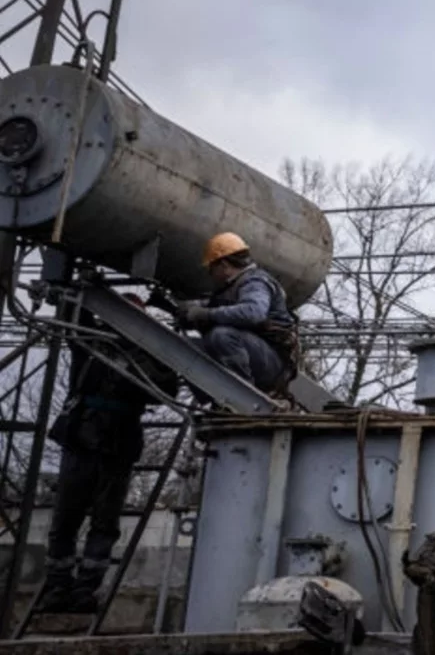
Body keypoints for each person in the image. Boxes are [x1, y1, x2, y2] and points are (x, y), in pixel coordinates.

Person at [41, 301, 175, 614]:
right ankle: (58, 586)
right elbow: (72, 317)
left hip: (117, 442)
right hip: (82, 436)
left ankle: (85, 588)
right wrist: (81, 289)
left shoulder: (147, 351)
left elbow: (165, 385)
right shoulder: (91, 339)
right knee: (65, 518)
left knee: (104, 520)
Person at [178, 232, 299, 395]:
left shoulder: (255, 281)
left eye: (211, 268)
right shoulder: (232, 287)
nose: (210, 274)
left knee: (222, 335)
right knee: (190, 349)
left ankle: (242, 395)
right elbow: (219, 306)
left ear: (224, 265)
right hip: (256, 354)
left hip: (273, 362)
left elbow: (253, 313)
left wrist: (206, 314)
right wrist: (194, 308)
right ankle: (217, 399)